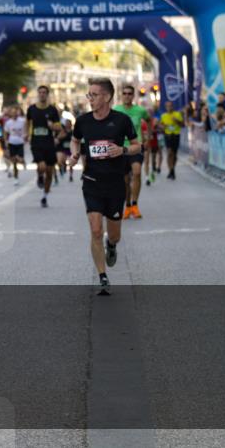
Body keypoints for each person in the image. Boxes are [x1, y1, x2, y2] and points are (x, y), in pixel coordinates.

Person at [69, 78, 140, 296]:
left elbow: (138, 146)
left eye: (94, 94)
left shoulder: (122, 121)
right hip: (91, 182)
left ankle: (113, 245)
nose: (90, 98)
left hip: (116, 184)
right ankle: (102, 276)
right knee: (96, 230)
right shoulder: (82, 121)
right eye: (88, 94)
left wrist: (123, 151)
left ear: (107, 97)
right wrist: (74, 154)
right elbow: (75, 140)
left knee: (114, 234)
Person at [113, 84, 149, 218]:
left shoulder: (140, 110)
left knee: (137, 172)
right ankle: (127, 206)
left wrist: (148, 138)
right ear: (121, 95)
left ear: (133, 96)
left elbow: (149, 121)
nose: (127, 96)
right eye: (125, 93)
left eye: (129, 93)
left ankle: (135, 204)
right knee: (125, 180)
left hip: (136, 147)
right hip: (121, 149)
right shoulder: (116, 110)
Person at [26, 85, 62, 207]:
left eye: (44, 92)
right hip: (36, 142)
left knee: (50, 173)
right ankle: (40, 176)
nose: (42, 94)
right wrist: (27, 134)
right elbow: (28, 122)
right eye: (40, 92)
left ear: (47, 94)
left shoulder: (52, 110)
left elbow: (59, 127)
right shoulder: (31, 109)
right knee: (41, 166)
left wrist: (52, 126)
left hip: (49, 143)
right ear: (38, 94)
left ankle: (45, 196)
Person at [159, 101, 184, 180]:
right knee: (169, 152)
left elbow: (183, 125)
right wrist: (163, 127)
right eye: (167, 106)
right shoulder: (163, 116)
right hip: (168, 135)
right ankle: (171, 170)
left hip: (176, 135)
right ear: (166, 107)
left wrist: (177, 120)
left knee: (175, 154)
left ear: (172, 106)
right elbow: (161, 126)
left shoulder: (177, 114)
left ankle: (172, 169)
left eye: (170, 106)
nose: (169, 107)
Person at [4, 105, 26, 185]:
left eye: (16, 112)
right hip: (12, 143)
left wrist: (26, 136)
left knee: (20, 159)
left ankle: (22, 161)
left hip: (20, 143)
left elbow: (27, 129)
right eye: (13, 112)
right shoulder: (8, 123)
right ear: (11, 114)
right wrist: (6, 142)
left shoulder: (23, 121)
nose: (14, 114)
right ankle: (16, 177)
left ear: (18, 112)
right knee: (14, 162)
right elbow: (6, 133)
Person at [145, 104, 161, 183]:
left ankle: (153, 169)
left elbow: (160, 129)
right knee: (147, 159)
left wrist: (155, 129)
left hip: (154, 140)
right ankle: (147, 177)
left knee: (154, 157)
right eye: (148, 112)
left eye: (151, 112)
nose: (149, 114)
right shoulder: (142, 121)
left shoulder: (155, 120)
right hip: (146, 142)